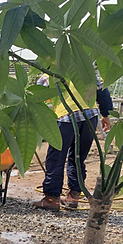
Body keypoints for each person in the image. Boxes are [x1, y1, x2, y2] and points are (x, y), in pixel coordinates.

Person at [34, 74, 113, 211]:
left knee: (56, 158)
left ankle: (52, 199)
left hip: (65, 118)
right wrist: (105, 115)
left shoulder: (50, 74)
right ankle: (74, 196)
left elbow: (36, 96)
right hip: (90, 117)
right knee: (78, 157)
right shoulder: (85, 69)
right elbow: (102, 91)